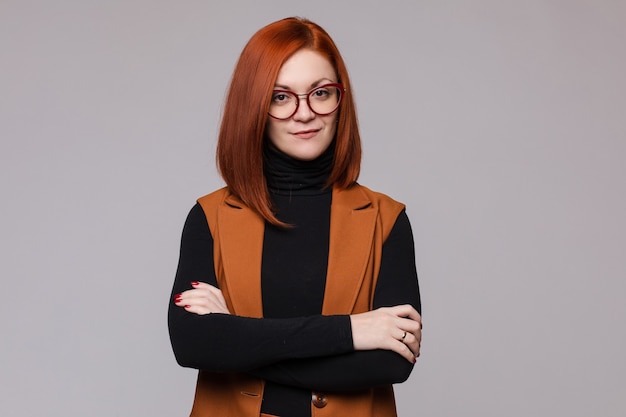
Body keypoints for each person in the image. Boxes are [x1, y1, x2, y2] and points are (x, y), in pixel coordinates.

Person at [168, 17, 422, 417]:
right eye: (281, 97)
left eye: (321, 93)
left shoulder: (384, 219)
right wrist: (351, 332)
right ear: (254, 105)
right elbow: (192, 345)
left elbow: (390, 362)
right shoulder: (210, 217)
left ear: (341, 100)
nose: (305, 113)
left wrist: (237, 338)